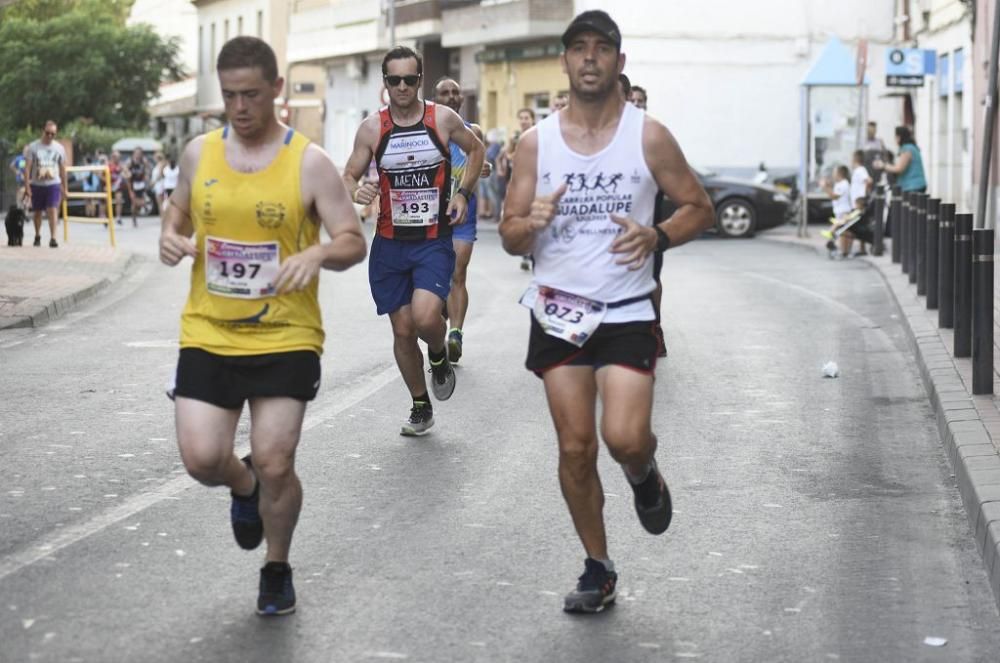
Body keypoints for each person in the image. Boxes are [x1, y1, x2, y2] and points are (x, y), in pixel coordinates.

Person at [499, 10, 714, 614]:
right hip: (558, 311)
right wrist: (528, 223)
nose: (589, 58)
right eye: (578, 49)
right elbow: (510, 234)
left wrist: (658, 236)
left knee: (622, 437)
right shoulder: (535, 144)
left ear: (619, 63)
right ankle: (599, 566)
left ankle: (643, 471)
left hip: (624, 309)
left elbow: (700, 206)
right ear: (564, 62)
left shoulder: (647, 136)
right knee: (574, 448)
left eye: (601, 49)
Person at [158, 36, 367, 616]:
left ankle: (276, 567)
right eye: (229, 96)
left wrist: (317, 256)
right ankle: (244, 486)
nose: (240, 107)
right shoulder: (200, 154)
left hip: (286, 334)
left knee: (277, 459)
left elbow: (354, 241)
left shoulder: (310, 162)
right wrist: (169, 236)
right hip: (210, 328)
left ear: (277, 89)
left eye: (251, 94)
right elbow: (177, 208)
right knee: (203, 460)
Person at [342, 46, 485, 436]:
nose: (402, 87)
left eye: (409, 79)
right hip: (389, 245)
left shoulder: (442, 119)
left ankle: (437, 356)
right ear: (384, 83)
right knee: (403, 329)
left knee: (425, 318)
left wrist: (463, 194)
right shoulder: (373, 128)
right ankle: (421, 406)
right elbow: (348, 176)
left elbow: (476, 150)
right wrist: (356, 192)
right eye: (394, 80)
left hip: (432, 240)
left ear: (420, 80)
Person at [433, 76, 492, 364]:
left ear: (461, 99)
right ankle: (444, 314)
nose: (451, 96)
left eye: (455, 92)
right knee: (438, 279)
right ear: (435, 99)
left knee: (458, 272)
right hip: (431, 216)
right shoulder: (426, 130)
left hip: (462, 213)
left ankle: (455, 333)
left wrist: (484, 169)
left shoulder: (474, 131)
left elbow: (480, 160)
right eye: (444, 92)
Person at [628, 82, 667, 357]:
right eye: (632, 99)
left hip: (650, 220)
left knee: (651, 277)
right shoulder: (610, 135)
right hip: (618, 222)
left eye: (640, 100)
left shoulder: (654, 136)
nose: (636, 104)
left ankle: (655, 327)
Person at [24, 121, 67, 248]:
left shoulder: (59, 148)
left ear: (55, 134)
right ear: (43, 131)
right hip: (37, 185)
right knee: (37, 212)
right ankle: (37, 235)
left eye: (52, 134)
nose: (49, 136)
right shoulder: (33, 147)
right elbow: (27, 168)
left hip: (53, 184)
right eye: (47, 133)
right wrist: (27, 187)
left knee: (52, 210)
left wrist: (65, 187)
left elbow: (63, 168)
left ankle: (53, 238)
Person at [510, 108, 536, 271]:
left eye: (527, 118)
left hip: (536, 182)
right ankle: (526, 254)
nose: (524, 121)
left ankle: (532, 253)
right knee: (522, 218)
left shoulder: (539, 135)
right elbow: (506, 154)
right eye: (521, 118)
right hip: (519, 182)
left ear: (533, 119)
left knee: (533, 217)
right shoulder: (516, 137)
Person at [874, 125, 926, 194]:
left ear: (899, 137)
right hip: (915, 185)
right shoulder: (911, 147)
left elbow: (899, 168)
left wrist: (883, 165)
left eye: (895, 137)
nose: (895, 139)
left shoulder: (907, 149)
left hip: (912, 186)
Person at [821, 165, 854, 258]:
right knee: (844, 232)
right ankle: (844, 251)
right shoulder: (840, 184)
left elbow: (835, 196)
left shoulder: (844, 183)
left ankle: (835, 244)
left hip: (844, 211)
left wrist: (825, 188)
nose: (833, 175)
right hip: (840, 211)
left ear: (839, 173)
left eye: (834, 172)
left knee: (843, 231)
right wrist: (828, 186)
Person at [849, 149, 872, 255]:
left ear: (855, 159)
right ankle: (861, 248)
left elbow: (869, 180)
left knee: (858, 225)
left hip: (859, 202)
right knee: (859, 224)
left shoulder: (860, 170)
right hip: (857, 202)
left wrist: (866, 194)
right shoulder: (859, 170)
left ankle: (862, 248)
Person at [124, 147, 151, 227]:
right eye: (136, 153)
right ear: (134, 153)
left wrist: (147, 176)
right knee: (134, 203)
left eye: (139, 153)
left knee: (140, 203)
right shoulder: (130, 161)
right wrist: (127, 173)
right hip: (133, 184)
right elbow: (124, 169)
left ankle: (139, 210)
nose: (138, 155)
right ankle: (134, 219)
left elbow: (147, 169)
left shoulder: (143, 161)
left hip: (141, 184)